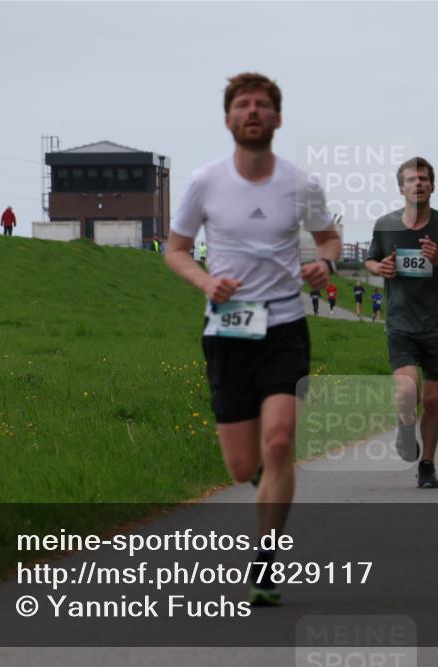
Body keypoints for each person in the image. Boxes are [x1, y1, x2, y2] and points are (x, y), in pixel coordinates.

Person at [163, 72, 340, 606]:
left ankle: (264, 563)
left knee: (281, 442)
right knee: (244, 466)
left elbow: (329, 236)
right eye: (242, 105)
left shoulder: (300, 184)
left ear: (277, 118)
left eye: (263, 105)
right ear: (228, 119)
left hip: (284, 327)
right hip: (228, 329)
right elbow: (175, 250)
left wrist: (325, 263)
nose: (253, 111)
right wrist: (206, 281)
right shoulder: (205, 182)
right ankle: (269, 477)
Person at [366, 156, 438, 489]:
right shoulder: (385, 225)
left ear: (432, 186)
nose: (418, 183)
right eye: (412, 179)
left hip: (436, 325)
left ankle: (428, 464)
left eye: (424, 178)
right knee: (407, 391)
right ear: (401, 187)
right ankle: (406, 427)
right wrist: (379, 268)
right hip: (400, 323)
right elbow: (370, 259)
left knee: (432, 400)